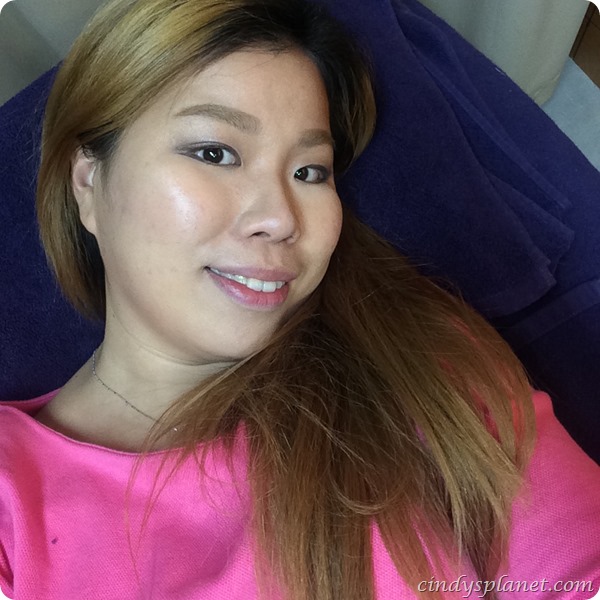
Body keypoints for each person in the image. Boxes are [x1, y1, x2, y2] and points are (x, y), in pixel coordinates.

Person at [0, 0, 598, 598]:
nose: (281, 218)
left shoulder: (417, 362)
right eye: (215, 153)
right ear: (89, 181)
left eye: (310, 171)